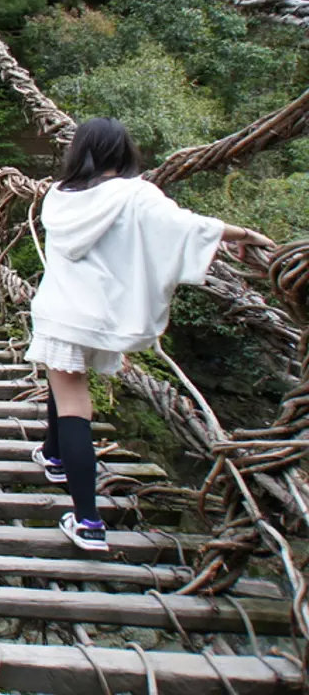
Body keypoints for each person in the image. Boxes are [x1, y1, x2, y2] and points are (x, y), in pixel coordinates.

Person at [25, 118, 274, 552]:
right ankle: (57, 459)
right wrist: (245, 234)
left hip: (59, 311)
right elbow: (188, 227)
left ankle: (86, 520)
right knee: (71, 391)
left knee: (70, 397)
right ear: (122, 152)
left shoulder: (56, 196)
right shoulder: (136, 195)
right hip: (99, 316)